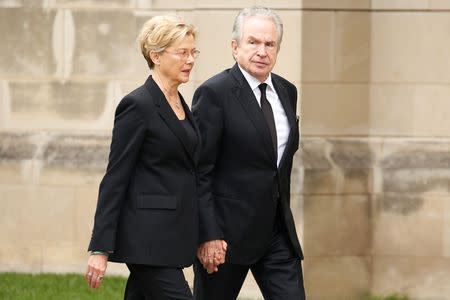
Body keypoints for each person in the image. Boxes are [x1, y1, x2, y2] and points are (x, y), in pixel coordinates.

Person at [84, 15, 209, 300]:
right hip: (148, 241)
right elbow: (116, 178)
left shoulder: (178, 102)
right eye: (182, 52)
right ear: (156, 56)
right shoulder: (137, 105)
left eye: (193, 52)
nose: (190, 60)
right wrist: (100, 248)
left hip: (174, 237)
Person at [192, 6, 305, 300]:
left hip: (278, 235)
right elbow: (199, 171)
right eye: (253, 42)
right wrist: (207, 234)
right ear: (235, 47)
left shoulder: (287, 91)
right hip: (225, 238)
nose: (262, 51)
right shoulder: (214, 94)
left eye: (269, 44)